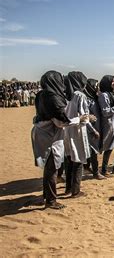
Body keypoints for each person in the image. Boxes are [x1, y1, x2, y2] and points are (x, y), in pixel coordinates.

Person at [31, 70, 90, 209]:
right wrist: (79, 119)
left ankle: (48, 196)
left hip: (42, 133)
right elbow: (60, 122)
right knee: (52, 168)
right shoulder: (52, 97)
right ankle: (51, 201)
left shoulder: (41, 95)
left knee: (49, 168)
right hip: (49, 136)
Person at [63, 71, 94, 197]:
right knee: (79, 159)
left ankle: (68, 188)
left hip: (66, 129)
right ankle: (76, 191)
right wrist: (90, 118)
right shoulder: (80, 96)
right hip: (78, 130)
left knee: (69, 158)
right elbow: (84, 117)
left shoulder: (64, 94)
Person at [83, 78, 105, 180]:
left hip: (96, 127)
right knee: (93, 151)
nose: (97, 88)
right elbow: (86, 116)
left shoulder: (95, 98)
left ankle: (87, 167)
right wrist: (92, 130)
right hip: (90, 129)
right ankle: (96, 172)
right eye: (95, 86)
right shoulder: (87, 100)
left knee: (92, 150)